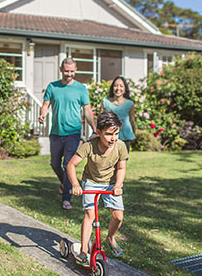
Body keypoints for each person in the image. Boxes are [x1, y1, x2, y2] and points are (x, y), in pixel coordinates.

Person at [67, 110, 128, 266]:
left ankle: (110, 238)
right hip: (91, 181)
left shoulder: (120, 146)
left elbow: (121, 168)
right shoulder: (89, 146)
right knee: (90, 215)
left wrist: (118, 185)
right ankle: (83, 251)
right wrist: (75, 184)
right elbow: (71, 165)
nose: (113, 138)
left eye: (116, 134)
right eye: (108, 134)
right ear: (99, 132)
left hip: (111, 183)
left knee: (118, 216)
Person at [39, 58, 97, 210]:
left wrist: (95, 129)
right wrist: (42, 115)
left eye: (71, 71)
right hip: (56, 132)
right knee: (54, 163)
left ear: (75, 70)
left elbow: (88, 111)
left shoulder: (81, 88)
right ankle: (66, 183)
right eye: (66, 71)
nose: (69, 74)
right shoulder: (53, 86)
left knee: (68, 164)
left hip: (73, 132)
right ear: (61, 69)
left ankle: (66, 198)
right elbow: (45, 105)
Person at [101, 76, 136, 152]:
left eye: (121, 86)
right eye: (115, 86)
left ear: (125, 89)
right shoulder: (105, 102)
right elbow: (100, 119)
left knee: (123, 161)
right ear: (112, 88)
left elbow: (132, 120)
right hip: (109, 137)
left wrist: (134, 134)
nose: (118, 88)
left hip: (125, 137)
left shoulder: (129, 103)